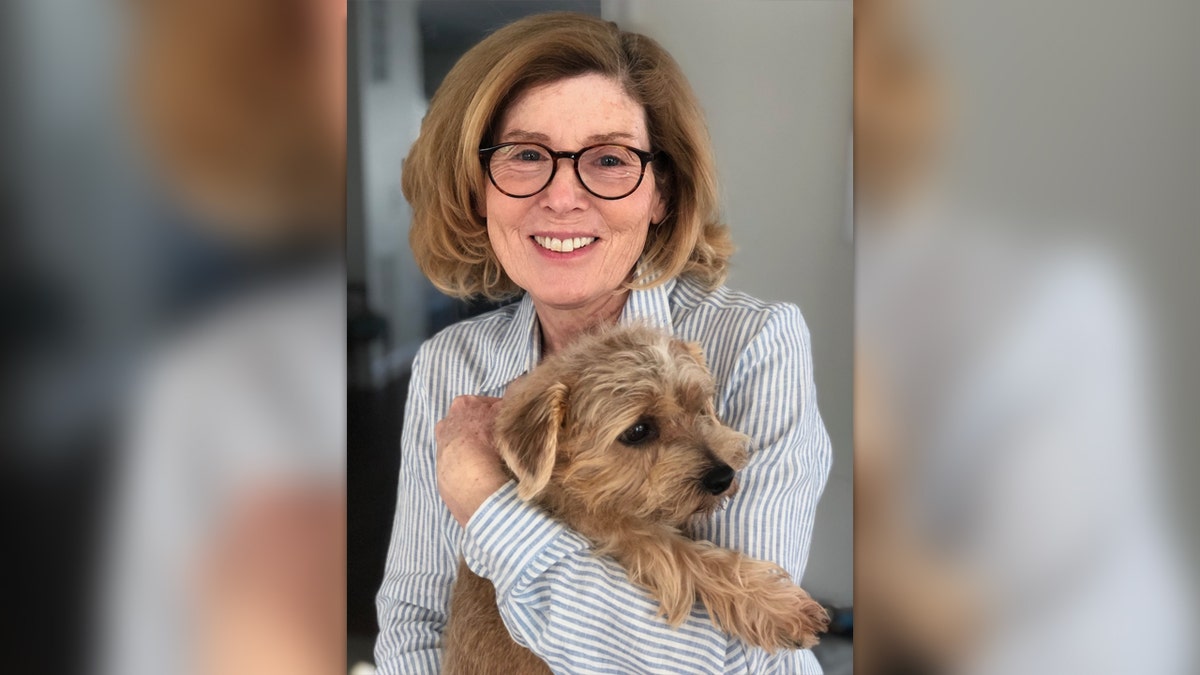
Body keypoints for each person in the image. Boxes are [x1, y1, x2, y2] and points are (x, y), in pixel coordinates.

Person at [374, 13, 832, 674]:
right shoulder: (453, 367)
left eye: (610, 159)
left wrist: (489, 506)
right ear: (478, 191)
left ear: (661, 193)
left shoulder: (753, 343)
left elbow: (726, 658)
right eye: (527, 154)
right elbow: (416, 613)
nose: (563, 197)